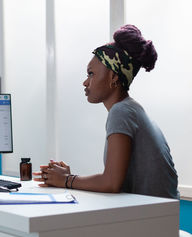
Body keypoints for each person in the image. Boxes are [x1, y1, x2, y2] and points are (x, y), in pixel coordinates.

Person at [34, 24, 178, 199]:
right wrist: (67, 178)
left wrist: (67, 179)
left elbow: (111, 183)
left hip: (152, 220)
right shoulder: (131, 109)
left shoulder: (121, 111)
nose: (85, 82)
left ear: (114, 77)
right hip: (158, 215)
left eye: (91, 74)